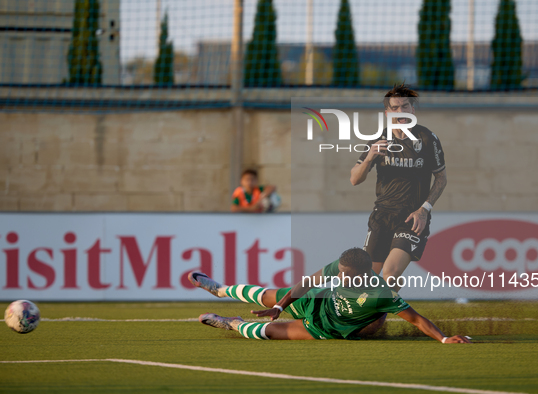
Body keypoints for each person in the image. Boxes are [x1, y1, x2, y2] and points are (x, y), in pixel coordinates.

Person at [189, 247, 471, 343]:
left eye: (347, 276)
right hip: (317, 299)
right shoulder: (342, 265)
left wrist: (444, 338)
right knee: (268, 296)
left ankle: (232, 323)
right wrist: (282, 305)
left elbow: (416, 319)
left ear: (363, 274)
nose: (341, 276)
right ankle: (220, 289)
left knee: (269, 333)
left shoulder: (380, 293)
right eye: (341, 272)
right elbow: (308, 283)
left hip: (329, 326)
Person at [350, 84, 447, 292]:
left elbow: (441, 178)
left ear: (413, 110)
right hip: (382, 215)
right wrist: (368, 159)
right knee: (366, 281)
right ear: (387, 113)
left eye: (405, 106)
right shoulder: (379, 139)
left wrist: (425, 209)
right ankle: (378, 311)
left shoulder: (428, 139)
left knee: (390, 273)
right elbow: (354, 179)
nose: (400, 112)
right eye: (395, 108)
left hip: (412, 218)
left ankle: (383, 311)